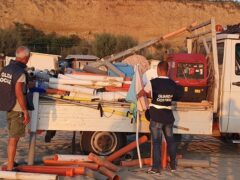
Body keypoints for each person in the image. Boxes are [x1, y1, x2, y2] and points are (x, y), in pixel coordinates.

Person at [138, 61, 182, 174]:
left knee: (156, 143)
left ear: (158, 69)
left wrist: (139, 94)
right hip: (168, 117)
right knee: (170, 141)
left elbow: (144, 92)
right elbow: (176, 96)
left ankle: (156, 168)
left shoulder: (153, 82)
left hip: (156, 116)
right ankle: (173, 166)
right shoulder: (173, 83)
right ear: (167, 70)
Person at [0, 46, 31, 171]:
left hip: (8, 106)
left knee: (12, 136)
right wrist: (25, 111)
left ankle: (11, 162)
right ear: (26, 58)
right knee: (14, 138)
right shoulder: (20, 72)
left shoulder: (5, 69)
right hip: (17, 108)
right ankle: (10, 167)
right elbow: (18, 91)